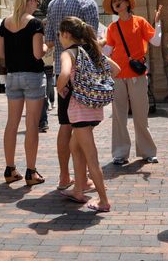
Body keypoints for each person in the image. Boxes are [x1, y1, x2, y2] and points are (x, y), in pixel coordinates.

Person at [55, 16, 121, 212]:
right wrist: (95, 81)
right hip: (95, 109)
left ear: (66, 34)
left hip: (79, 110)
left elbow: (64, 74)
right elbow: (116, 69)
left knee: (91, 156)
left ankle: (103, 200)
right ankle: (78, 189)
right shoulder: (91, 51)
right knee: (75, 146)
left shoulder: (69, 53)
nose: (59, 37)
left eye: (59, 34)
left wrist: (61, 89)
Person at [44, 0, 99, 191]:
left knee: (65, 126)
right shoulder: (88, 4)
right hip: (82, 74)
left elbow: (49, 41)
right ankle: (83, 178)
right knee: (83, 129)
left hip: (60, 73)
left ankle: (65, 176)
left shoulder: (54, 2)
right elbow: (92, 43)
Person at [103, 0, 162, 165]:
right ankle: (120, 153)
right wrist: (97, 42)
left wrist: (157, 23)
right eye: (114, 2)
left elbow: (156, 42)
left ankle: (147, 151)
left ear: (127, 4)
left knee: (140, 113)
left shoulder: (140, 22)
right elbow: (108, 52)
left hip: (137, 74)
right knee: (119, 115)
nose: (117, 3)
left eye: (120, 0)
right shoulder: (113, 28)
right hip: (118, 74)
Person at [0, 0, 48, 185]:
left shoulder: (5, 22)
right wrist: (46, 46)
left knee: (12, 124)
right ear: (32, 0)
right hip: (33, 76)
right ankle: (31, 171)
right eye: (37, 2)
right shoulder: (35, 23)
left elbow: (0, 53)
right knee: (32, 125)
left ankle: (10, 169)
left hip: (13, 76)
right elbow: (38, 53)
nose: (37, 5)